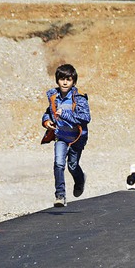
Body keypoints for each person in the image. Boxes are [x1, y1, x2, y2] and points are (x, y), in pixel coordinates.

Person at [41, 64, 91, 207]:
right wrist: (46, 121)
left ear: (73, 81)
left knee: (72, 166)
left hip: (77, 138)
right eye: (62, 79)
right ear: (57, 80)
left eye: (68, 79)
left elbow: (85, 118)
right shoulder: (54, 96)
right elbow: (48, 112)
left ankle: (80, 180)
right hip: (61, 136)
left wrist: (65, 115)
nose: (64, 82)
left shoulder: (79, 97)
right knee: (58, 163)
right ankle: (60, 195)